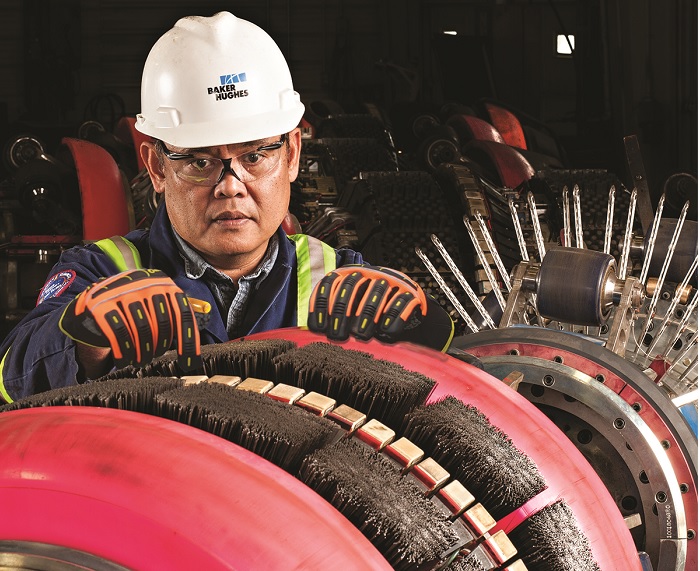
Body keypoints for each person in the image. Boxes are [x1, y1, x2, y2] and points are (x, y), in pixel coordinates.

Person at [0, 11, 453, 403]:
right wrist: (81, 338)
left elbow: (437, 399)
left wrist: (423, 330)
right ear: (156, 168)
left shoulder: (336, 282)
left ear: (292, 155)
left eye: (255, 157)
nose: (231, 187)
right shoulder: (101, 273)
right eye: (200, 161)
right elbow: (12, 378)